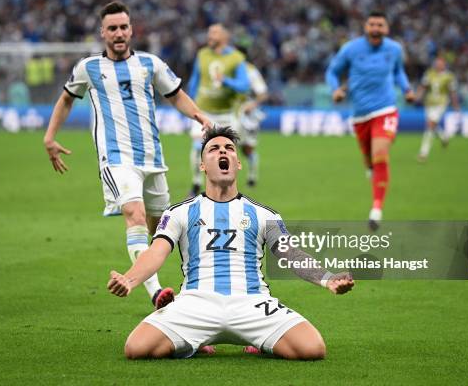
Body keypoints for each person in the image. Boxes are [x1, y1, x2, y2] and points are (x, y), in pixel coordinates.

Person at [107, 126, 354, 360]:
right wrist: (129, 280)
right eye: (213, 149)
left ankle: (255, 341)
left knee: (313, 348)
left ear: (237, 164)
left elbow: (291, 255)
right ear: (202, 165)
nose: (222, 151)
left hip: (252, 303)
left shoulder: (264, 215)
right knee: (136, 348)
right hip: (196, 303)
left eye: (229, 148)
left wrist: (327, 278)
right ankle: (196, 341)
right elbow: (156, 253)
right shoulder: (179, 212)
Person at [43, 1, 211, 310]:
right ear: (102, 32)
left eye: (123, 27)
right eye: (112, 28)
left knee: (162, 229)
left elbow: (175, 96)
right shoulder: (88, 68)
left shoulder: (150, 64)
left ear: (131, 30)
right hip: (117, 159)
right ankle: (155, 292)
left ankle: (194, 290)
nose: (118, 33)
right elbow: (66, 100)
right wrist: (50, 137)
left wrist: (199, 116)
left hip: (152, 159)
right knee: (133, 213)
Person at [325, 11, 415, 230]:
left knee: (380, 155)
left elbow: (398, 72)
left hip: (385, 110)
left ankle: (376, 209)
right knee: (368, 159)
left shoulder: (394, 49)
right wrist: (335, 89)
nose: (376, 28)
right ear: (365, 27)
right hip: (360, 115)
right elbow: (332, 72)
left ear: (387, 29)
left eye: (380, 25)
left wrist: (407, 89)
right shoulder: (351, 49)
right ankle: (370, 170)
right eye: (372, 24)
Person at [187, 24, 250, 196]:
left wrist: (226, 81)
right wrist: (189, 105)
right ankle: (195, 183)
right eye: (209, 32)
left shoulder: (236, 58)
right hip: (203, 112)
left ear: (225, 37)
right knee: (196, 148)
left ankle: (228, 186)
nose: (209, 35)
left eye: (214, 33)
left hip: (226, 114)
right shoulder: (202, 54)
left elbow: (244, 85)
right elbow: (195, 80)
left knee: (228, 150)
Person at [415, 56, 460, 162]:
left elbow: (452, 92)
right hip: (429, 103)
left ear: (444, 64)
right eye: (436, 63)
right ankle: (444, 137)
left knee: (430, 125)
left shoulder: (449, 76)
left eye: (440, 63)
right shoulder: (429, 73)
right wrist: (417, 96)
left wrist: (455, 105)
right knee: (432, 125)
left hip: (441, 103)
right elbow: (423, 86)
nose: (438, 65)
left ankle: (423, 153)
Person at [235, 46, 268, 187]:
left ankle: (252, 177)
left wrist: (252, 105)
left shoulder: (251, 71)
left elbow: (263, 94)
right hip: (230, 113)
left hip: (247, 115)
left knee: (247, 149)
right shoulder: (226, 69)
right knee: (226, 146)